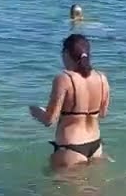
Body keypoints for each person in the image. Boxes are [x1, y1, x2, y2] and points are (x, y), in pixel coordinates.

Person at [29, 34, 110, 167]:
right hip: (96, 145)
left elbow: (49, 120)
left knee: (57, 187)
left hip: (71, 147)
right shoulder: (102, 78)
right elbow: (102, 114)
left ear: (66, 53)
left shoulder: (64, 78)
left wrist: (35, 111)